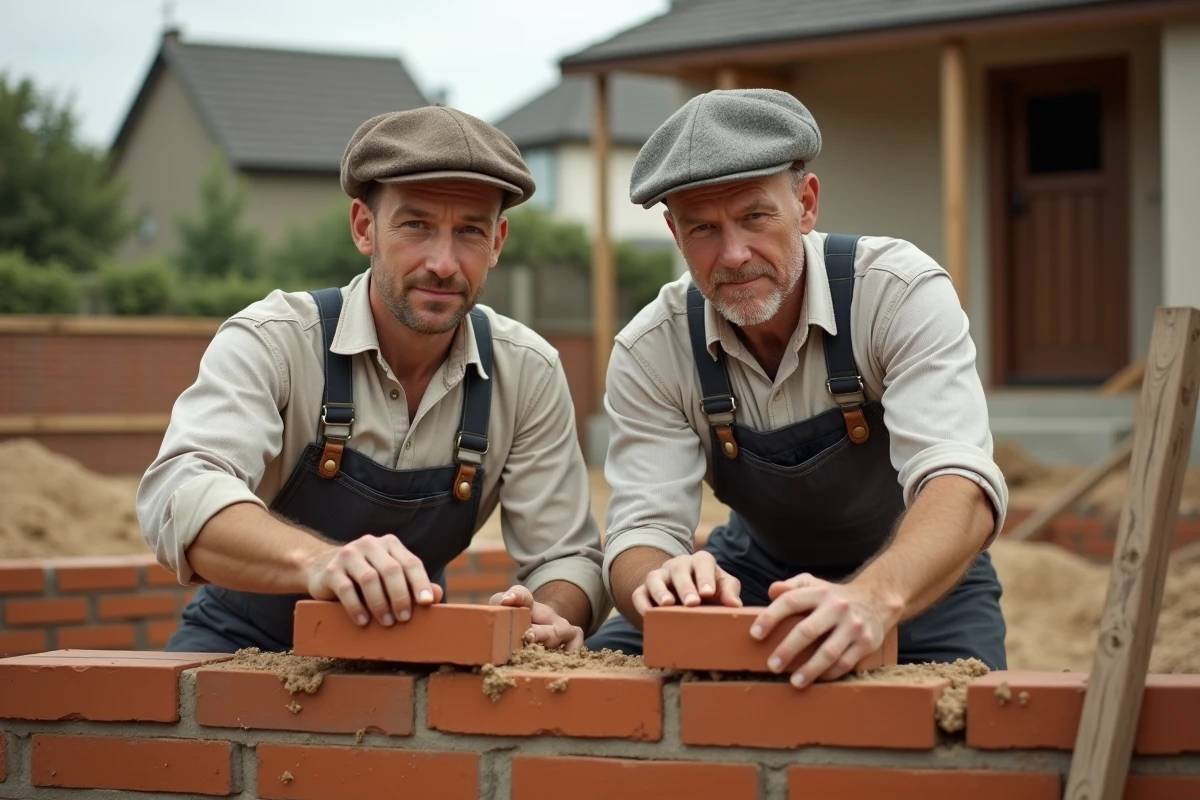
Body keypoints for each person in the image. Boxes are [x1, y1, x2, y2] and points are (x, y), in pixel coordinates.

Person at [137, 106, 607, 654]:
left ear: (498, 241)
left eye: (470, 232)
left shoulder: (527, 372)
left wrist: (551, 610)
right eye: (416, 225)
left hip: (413, 656)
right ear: (364, 227)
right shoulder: (275, 341)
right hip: (238, 648)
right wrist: (318, 562)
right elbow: (180, 492)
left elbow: (567, 557)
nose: (443, 262)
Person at [583, 88, 1009, 686]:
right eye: (703, 228)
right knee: (602, 688)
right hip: (753, 574)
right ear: (675, 236)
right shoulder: (651, 349)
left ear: (805, 204)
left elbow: (959, 484)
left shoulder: (896, 293)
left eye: (755, 216)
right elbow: (640, 530)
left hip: (920, 583)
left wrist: (871, 598)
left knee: (966, 738)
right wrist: (657, 586)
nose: (733, 255)